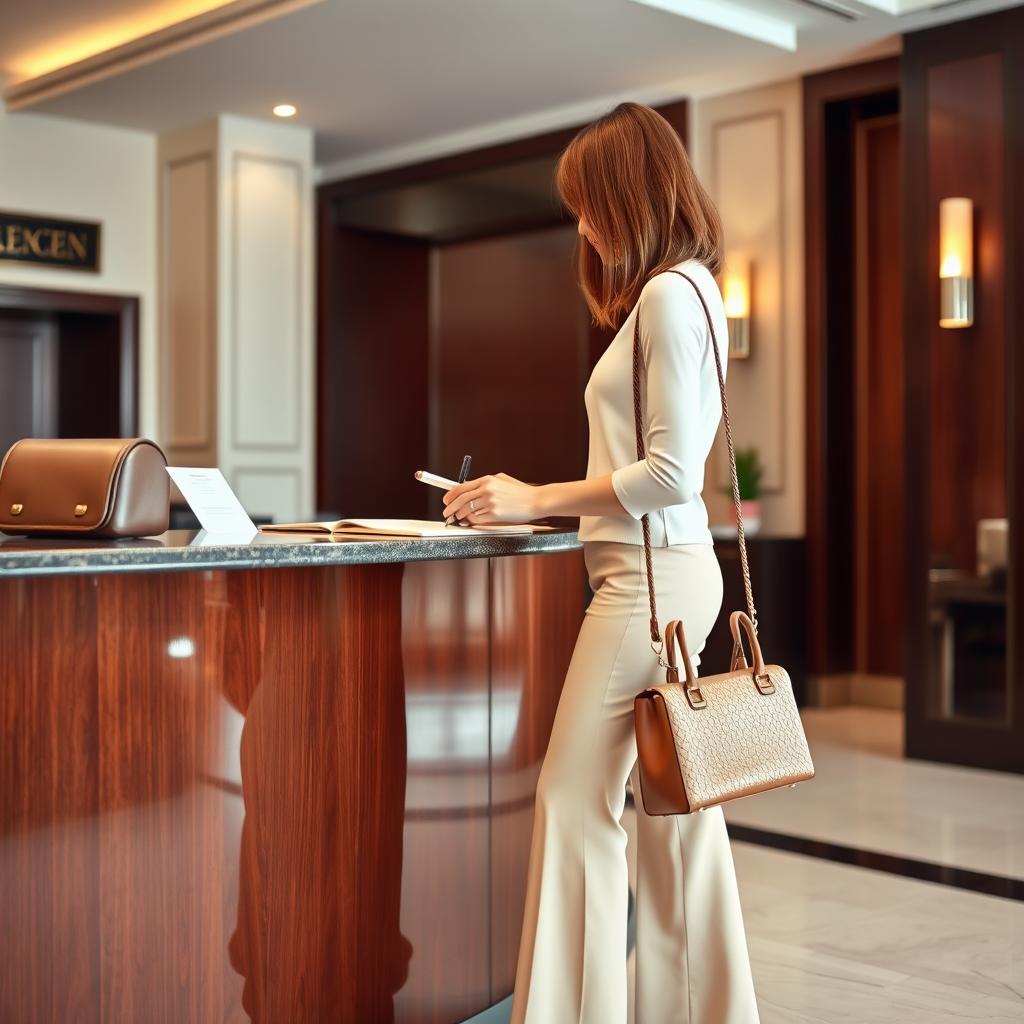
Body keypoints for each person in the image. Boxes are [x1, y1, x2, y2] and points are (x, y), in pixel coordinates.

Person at [441, 101, 760, 1023]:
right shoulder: (700, 288)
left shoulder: (667, 296)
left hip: (643, 582)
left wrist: (531, 498)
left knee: (574, 800)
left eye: (590, 204)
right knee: (675, 808)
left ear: (631, 194)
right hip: (673, 575)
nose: (582, 225)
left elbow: (668, 475)